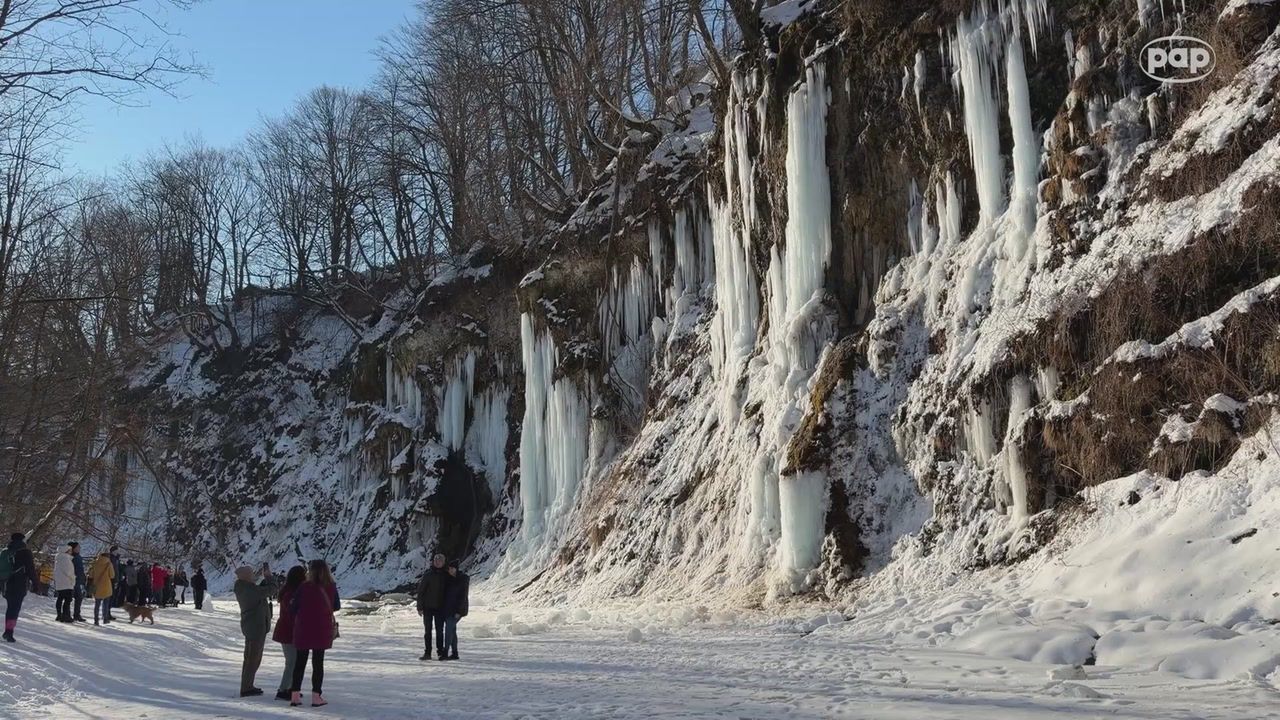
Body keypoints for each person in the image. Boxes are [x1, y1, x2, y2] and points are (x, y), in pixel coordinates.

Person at [288, 559, 339, 708]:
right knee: (318, 663)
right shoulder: (331, 586)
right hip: (322, 629)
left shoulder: (303, 587)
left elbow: (293, 608)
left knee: (299, 663)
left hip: (303, 628)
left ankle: (295, 696)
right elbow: (336, 606)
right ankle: (316, 696)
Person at [234, 563, 276, 697]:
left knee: (250, 658)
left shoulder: (244, 588)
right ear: (246, 577)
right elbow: (272, 589)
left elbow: (260, 591)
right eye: (251, 574)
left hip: (252, 626)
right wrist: (269, 577)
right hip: (255, 627)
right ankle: (246, 687)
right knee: (253, 658)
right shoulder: (249, 590)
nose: (253, 576)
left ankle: (247, 685)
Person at [272, 566, 307, 700]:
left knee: (294, 661)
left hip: (289, 630)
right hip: (288, 631)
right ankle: (283, 689)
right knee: (291, 662)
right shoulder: (291, 593)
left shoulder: (292, 591)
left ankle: (291, 687)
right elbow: (292, 614)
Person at [2, 532, 37, 642]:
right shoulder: (25, 552)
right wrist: (36, 584)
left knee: (10, 608)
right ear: (23, 540)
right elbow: (30, 570)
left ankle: (8, 631)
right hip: (19, 584)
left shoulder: (5, 551)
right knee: (14, 609)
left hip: (6, 584)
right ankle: (9, 632)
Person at [415, 553, 448, 660]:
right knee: (427, 631)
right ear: (433, 562)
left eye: (440, 561)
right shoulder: (428, 574)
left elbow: (452, 591)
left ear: (443, 562)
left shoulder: (446, 575)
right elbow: (421, 591)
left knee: (440, 631)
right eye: (436, 560)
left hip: (440, 608)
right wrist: (419, 607)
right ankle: (427, 652)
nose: (438, 562)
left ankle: (440, 651)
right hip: (427, 607)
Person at [441, 560, 470, 661]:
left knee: (449, 629)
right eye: (449, 569)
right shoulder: (448, 579)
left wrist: (459, 611)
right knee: (452, 630)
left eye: (452, 568)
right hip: (448, 609)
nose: (450, 570)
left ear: (456, 569)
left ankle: (445, 651)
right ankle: (455, 653)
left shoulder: (463, 579)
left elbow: (463, 596)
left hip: (458, 610)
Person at [88, 550, 116, 625]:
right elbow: (112, 575)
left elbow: (90, 575)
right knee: (106, 604)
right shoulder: (109, 564)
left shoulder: (95, 563)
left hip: (97, 586)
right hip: (106, 587)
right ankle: (105, 618)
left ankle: (96, 620)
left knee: (97, 604)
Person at [53, 542, 77, 622]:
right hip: (67, 583)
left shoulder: (58, 558)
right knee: (67, 600)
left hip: (60, 582)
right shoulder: (65, 559)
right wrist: (73, 578)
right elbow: (69, 571)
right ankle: (65, 616)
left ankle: (59, 615)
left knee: (60, 599)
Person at [70, 542, 87, 622]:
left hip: (78, 580)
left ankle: (77, 614)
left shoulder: (79, 557)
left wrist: (83, 578)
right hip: (72, 579)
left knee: (79, 598)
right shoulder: (71, 557)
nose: (79, 548)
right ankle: (67, 613)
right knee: (69, 598)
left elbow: (81, 569)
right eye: (78, 547)